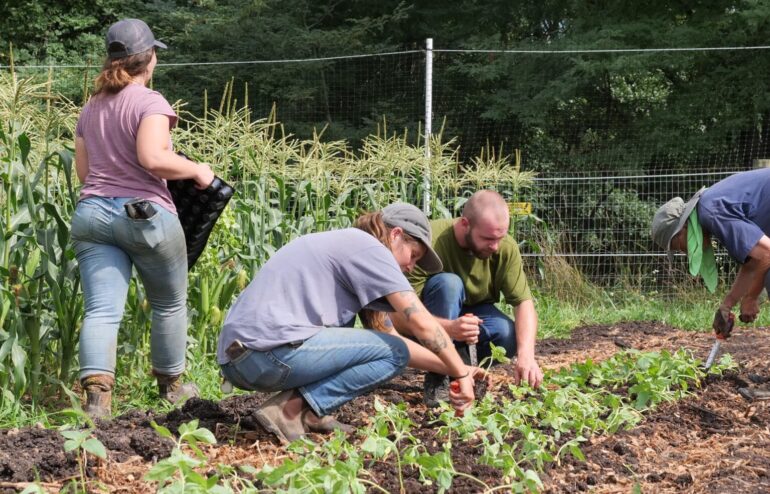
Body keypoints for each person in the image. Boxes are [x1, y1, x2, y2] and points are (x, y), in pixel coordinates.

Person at [217, 203, 485, 444]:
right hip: (267, 355)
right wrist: (460, 375)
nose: (411, 267)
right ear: (395, 235)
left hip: (242, 360)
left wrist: (458, 367)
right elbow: (420, 326)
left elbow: (389, 339)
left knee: (385, 347)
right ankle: (289, 412)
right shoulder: (370, 249)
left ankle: (310, 415)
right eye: (413, 255)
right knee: (392, 351)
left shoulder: (351, 250)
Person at [71, 18, 215, 418]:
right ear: (149, 58)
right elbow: (153, 158)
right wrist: (197, 169)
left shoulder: (91, 108)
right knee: (169, 302)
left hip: (92, 214)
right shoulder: (150, 102)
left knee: (101, 310)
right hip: (144, 215)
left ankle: (97, 402)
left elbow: (85, 174)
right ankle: (172, 388)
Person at [408, 190, 543, 405]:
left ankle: (468, 370)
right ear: (464, 224)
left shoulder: (504, 248)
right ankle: (439, 377)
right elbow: (403, 313)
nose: (495, 246)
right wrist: (449, 327)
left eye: (500, 238)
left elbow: (523, 303)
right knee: (449, 284)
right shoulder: (430, 241)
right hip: (429, 320)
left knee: (507, 334)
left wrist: (526, 355)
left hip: (476, 314)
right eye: (488, 238)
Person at [652, 168, 770, 337]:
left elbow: (767, 254)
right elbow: (753, 263)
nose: (685, 252)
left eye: (678, 246)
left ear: (683, 229)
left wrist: (751, 298)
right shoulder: (709, 209)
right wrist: (727, 305)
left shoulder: (711, 213)